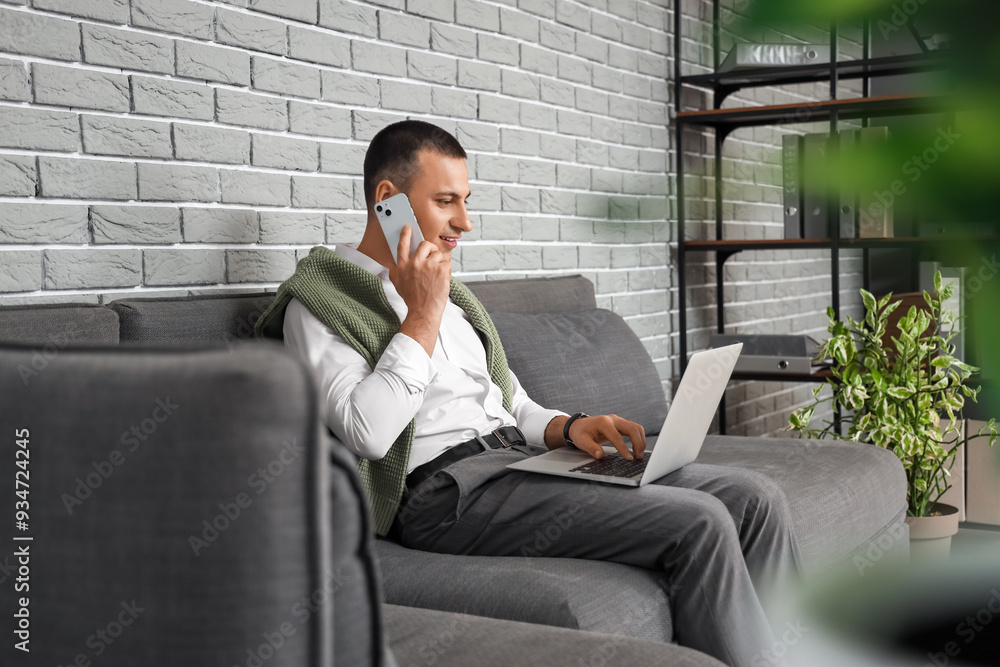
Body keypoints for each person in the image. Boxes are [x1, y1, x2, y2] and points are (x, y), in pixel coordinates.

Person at [255, 120, 800, 667]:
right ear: (387, 199)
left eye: (465, 201)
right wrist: (420, 314)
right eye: (446, 202)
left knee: (756, 499)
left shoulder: (456, 293)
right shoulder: (319, 302)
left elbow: (511, 400)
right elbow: (367, 434)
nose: (464, 223)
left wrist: (570, 426)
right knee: (700, 523)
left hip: (522, 458)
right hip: (447, 493)